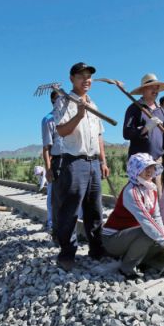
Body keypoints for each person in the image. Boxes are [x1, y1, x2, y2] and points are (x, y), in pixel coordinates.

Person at [53, 62, 110, 270]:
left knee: (95, 209)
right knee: (70, 209)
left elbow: (99, 135)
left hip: (93, 162)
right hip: (74, 162)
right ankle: (67, 253)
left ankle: (97, 249)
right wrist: (78, 114)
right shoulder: (63, 102)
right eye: (81, 76)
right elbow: (62, 131)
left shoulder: (94, 105)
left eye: (89, 76)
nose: (86, 80)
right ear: (71, 79)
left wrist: (103, 160)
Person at [102, 153, 164, 279]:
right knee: (148, 233)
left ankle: (136, 259)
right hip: (113, 238)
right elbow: (147, 221)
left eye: (152, 167)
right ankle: (127, 268)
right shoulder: (131, 191)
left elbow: (156, 216)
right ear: (135, 170)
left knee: (158, 238)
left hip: (130, 234)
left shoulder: (150, 188)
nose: (149, 171)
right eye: (144, 167)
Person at [122, 73, 164, 160]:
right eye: (152, 87)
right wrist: (145, 129)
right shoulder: (134, 108)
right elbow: (126, 133)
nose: (155, 91)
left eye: (157, 88)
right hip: (139, 162)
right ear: (143, 89)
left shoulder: (161, 111)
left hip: (158, 161)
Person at [41, 90, 63, 230]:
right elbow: (46, 147)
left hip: (71, 159)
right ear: (53, 101)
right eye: (60, 99)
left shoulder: (68, 117)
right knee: (53, 194)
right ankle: (52, 223)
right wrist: (48, 169)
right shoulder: (48, 119)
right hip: (57, 160)